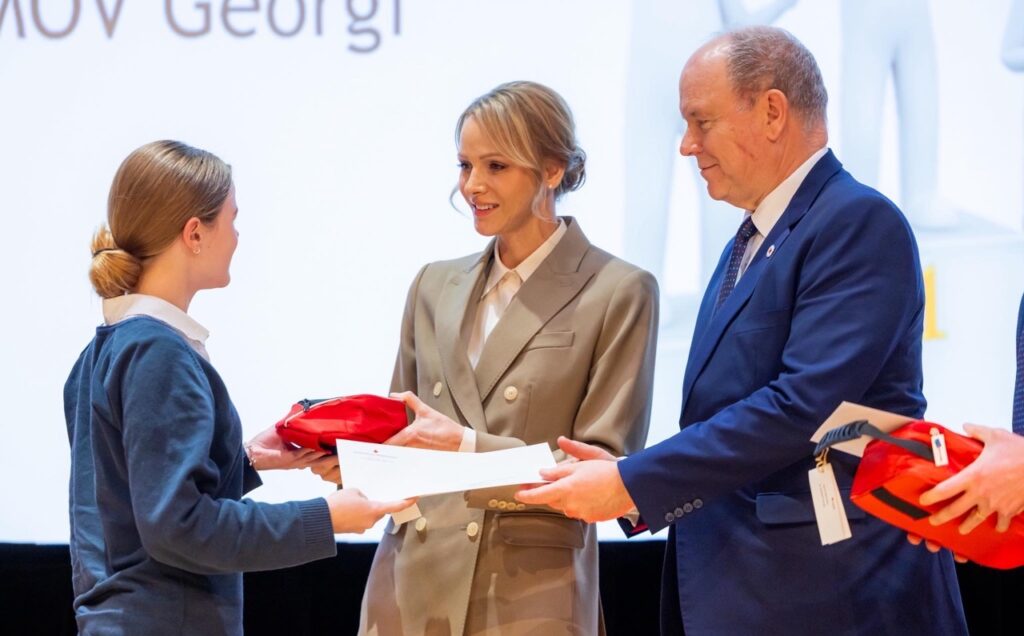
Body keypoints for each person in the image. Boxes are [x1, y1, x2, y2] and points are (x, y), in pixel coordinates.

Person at [517, 27, 968, 634]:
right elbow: (730, 410)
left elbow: (803, 406)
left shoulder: (857, 222)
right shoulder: (753, 239)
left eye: (701, 121)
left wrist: (632, 481)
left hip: (834, 595)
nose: (686, 145)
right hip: (754, 587)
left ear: (773, 112)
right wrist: (634, 472)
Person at [345, 81, 658, 635]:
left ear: (553, 170)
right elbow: (402, 431)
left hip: (529, 597)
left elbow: (603, 472)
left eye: (496, 166)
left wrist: (466, 445)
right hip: (411, 587)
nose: (473, 186)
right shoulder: (433, 284)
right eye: (465, 165)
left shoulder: (619, 290)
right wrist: (344, 455)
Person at [64, 140, 411, 635]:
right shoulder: (158, 351)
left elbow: (131, 508)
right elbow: (179, 528)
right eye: (232, 219)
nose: (238, 236)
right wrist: (325, 517)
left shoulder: (103, 351)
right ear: (194, 233)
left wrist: (247, 461)